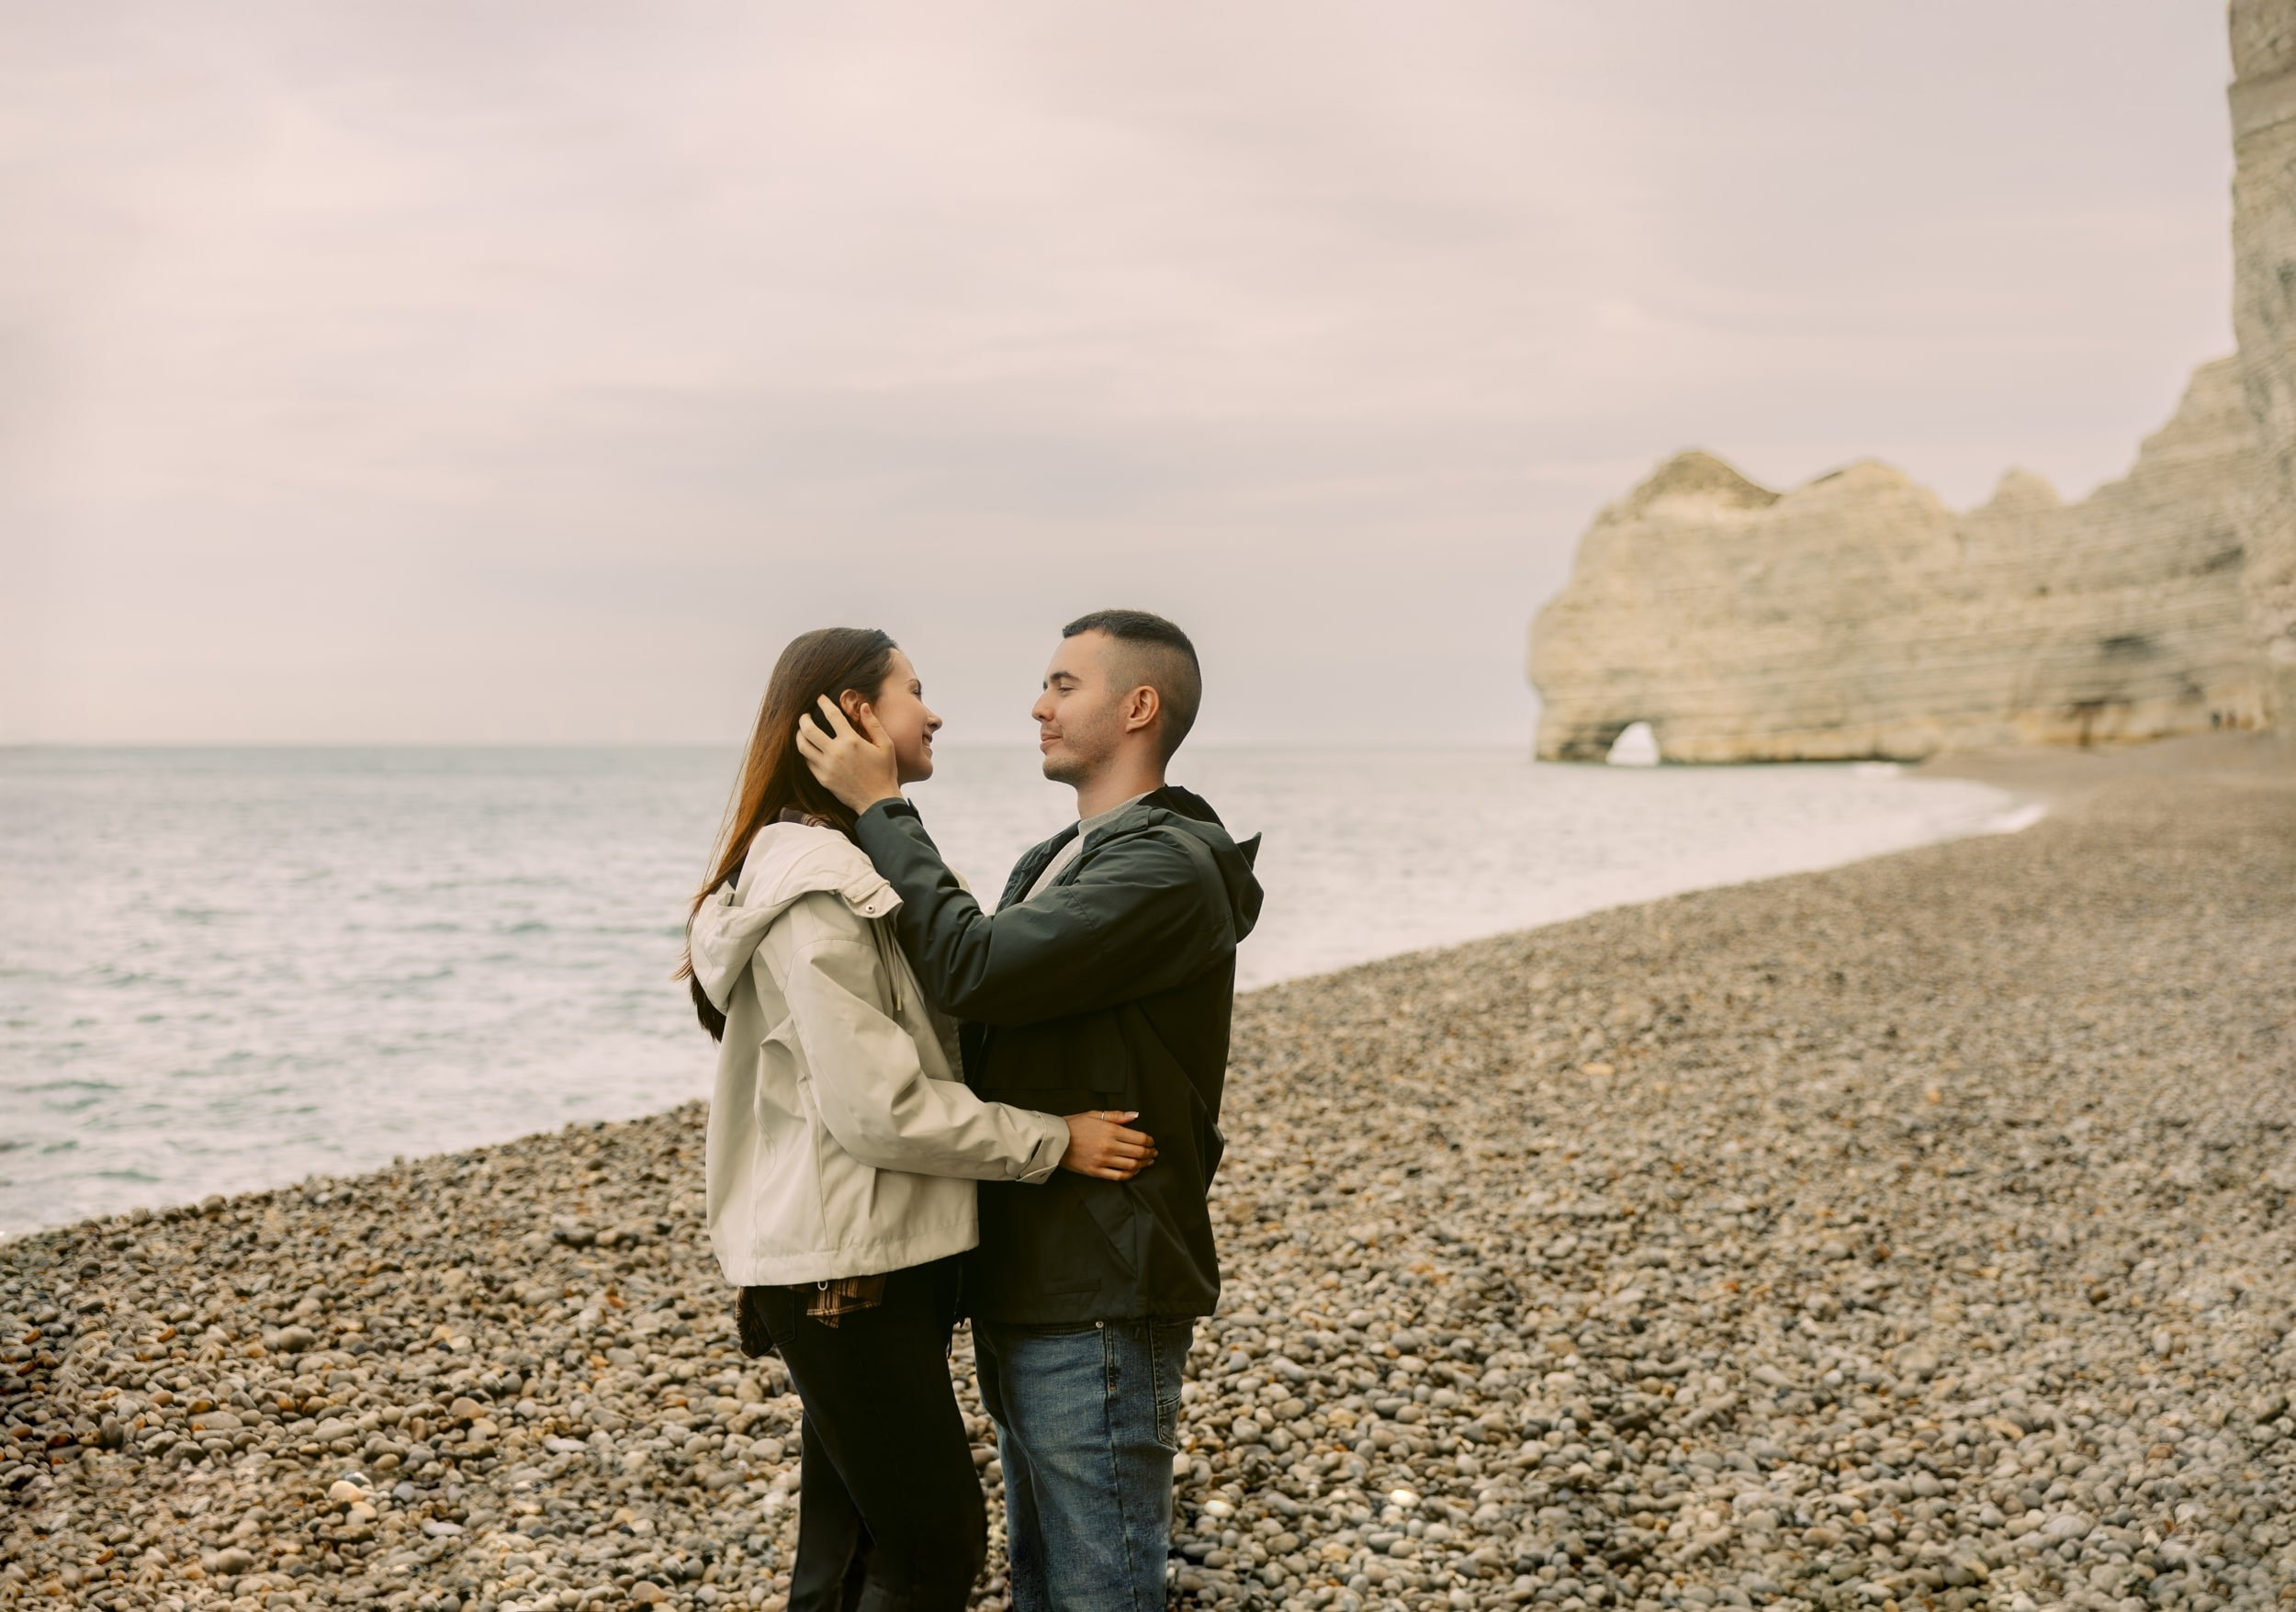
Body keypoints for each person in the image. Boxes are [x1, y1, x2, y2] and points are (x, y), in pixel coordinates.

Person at [678, 626, 1159, 1612]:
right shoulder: (819, 887)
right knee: (934, 1546)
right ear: (856, 714)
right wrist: (1054, 1139)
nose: (933, 714)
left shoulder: (837, 863)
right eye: (913, 691)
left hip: (859, 1258)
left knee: (850, 1548)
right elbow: (880, 1107)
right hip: (846, 1271)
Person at [797, 609, 1263, 1612]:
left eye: (1063, 685)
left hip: (1101, 1284)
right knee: (1042, 1582)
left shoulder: (1165, 868)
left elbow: (973, 968)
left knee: (1100, 1586)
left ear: (1138, 707)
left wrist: (881, 808)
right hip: (1033, 1270)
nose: (1037, 706)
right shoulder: (1059, 854)